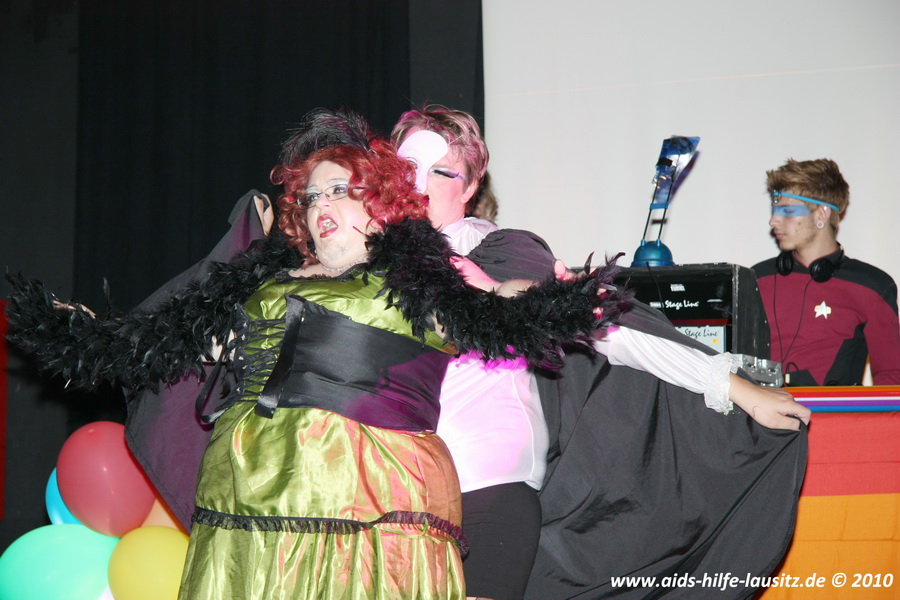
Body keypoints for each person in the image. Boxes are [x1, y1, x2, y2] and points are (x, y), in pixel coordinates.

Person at [5, 114, 624, 599]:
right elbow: (169, 343)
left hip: (363, 519)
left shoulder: (416, 279)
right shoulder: (265, 283)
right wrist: (84, 335)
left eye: (340, 190)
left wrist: (552, 300)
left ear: (380, 202)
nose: (321, 205)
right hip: (248, 511)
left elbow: (493, 307)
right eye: (311, 197)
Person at [392, 105, 811, 600]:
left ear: (469, 188)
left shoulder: (497, 253)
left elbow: (608, 327)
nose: (419, 183)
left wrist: (732, 387)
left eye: (441, 172)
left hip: (483, 489)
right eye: (406, 167)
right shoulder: (366, 263)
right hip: (391, 495)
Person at [752, 158, 900, 386]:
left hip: (832, 409)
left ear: (822, 214)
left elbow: (891, 377)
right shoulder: (756, 279)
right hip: (760, 408)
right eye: (774, 210)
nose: (773, 221)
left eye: (787, 211)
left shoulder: (872, 286)